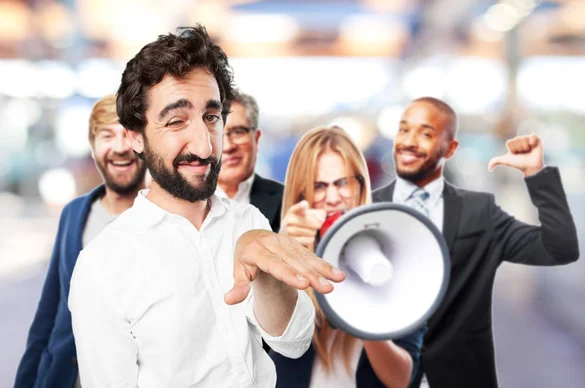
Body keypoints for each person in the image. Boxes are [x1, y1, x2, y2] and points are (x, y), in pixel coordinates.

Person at [67, 25, 345, 388]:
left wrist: (264, 272)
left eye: (211, 118)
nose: (203, 145)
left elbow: (293, 342)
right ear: (136, 136)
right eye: (176, 121)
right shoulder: (102, 265)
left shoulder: (249, 222)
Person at [372, 96, 580, 388]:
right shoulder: (365, 211)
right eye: (404, 130)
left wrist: (536, 174)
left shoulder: (479, 212)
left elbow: (559, 248)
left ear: (451, 148)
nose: (409, 141)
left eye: (426, 133)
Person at [270, 125, 426, 388]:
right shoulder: (283, 249)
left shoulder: (397, 256)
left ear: (361, 185)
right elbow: (268, 342)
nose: (332, 198)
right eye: (318, 186)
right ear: (300, 193)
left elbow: (401, 379)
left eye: (342, 183)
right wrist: (283, 256)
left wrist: (364, 314)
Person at [14, 94, 147, 388]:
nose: (120, 148)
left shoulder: (166, 218)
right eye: (107, 135)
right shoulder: (75, 214)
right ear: (93, 145)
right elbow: (49, 313)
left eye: (129, 135)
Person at [216, 90, 284, 231]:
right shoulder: (182, 204)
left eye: (238, 132)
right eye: (218, 134)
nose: (228, 146)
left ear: (257, 138)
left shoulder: (287, 201)